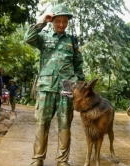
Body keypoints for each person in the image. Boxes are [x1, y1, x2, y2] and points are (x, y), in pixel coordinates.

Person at [24, 4, 85, 166]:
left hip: (66, 88)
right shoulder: (43, 37)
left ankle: (62, 161)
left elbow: (78, 65)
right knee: (41, 124)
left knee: (65, 124)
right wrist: (42, 20)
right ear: (53, 20)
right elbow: (28, 37)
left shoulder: (72, 40)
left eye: (65, 21)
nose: (62, 24)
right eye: (58, 21)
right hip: (46, 87)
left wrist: (80, 86)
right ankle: (37, 159)